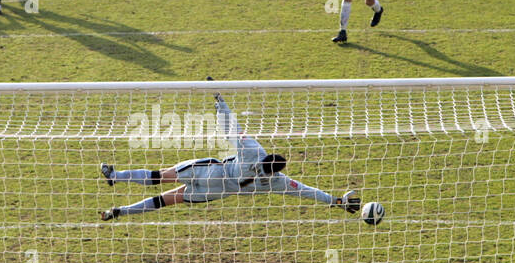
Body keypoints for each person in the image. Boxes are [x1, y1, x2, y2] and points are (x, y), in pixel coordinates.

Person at [98, 93, 363, 221]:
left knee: (160, 176)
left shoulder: (253, 153)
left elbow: (231, 129)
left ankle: (115, 176)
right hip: (215, 192)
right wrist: (337, 201)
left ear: (265, 158)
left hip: (207, 173)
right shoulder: (278, 182)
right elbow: (306, 191)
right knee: (165, 201)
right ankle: (120, 212)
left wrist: (220, 102)